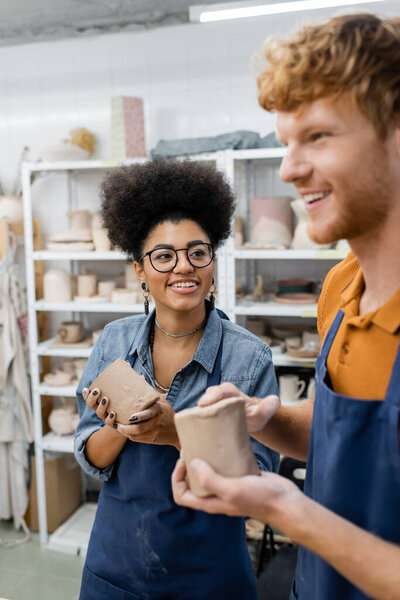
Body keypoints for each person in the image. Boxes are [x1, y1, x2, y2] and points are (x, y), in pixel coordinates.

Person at [172, 13, 400, 600]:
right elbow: (337, 437)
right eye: (285, 142)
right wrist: (264, 419)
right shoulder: (341, 288)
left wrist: (287, 510)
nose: (289, 169)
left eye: (318, 136)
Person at [74, 159, 279, 600]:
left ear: (212, 260)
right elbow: (90, 455)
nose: (183, 267)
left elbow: (258, 483)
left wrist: (175, 433)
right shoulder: (114, 341)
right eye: (164, 256)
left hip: (208, 578)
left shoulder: (249, 357)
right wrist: (118, 426)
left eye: (197, 252)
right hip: (116, 571)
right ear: (140, 271)